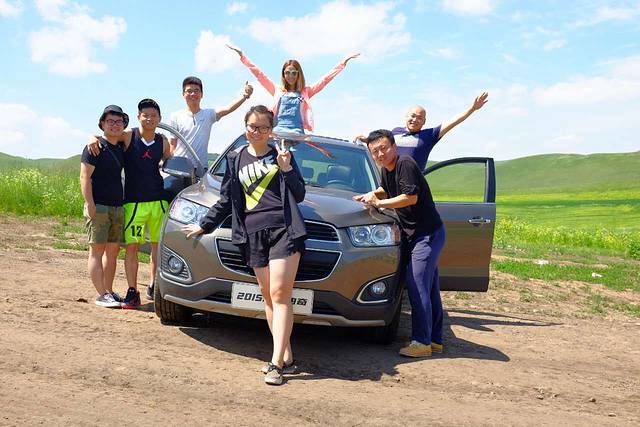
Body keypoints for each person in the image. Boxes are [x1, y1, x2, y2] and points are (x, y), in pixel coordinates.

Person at [182, 105, 306, 385]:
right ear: (245, 127)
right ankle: (286, 355)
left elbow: (299, 194)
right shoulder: (235, 158)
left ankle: (275, 364)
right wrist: (205, 225)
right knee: (268, 296)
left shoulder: (281, 155)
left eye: (263, 127)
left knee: (280, 293)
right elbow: (227, 199)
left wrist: (286, 168)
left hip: (284, 230)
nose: (257, 132)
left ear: (271, 131)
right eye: (253, 126)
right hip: (253, 234)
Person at [353, 129, 445, 358]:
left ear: (394, 147)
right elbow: (386, 190)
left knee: (416, 284)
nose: (380, 154)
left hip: (426, 235)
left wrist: (379, 204)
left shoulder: (405, 163)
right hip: (417, 235)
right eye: (375, 151)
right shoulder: (388, 169)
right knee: (429, 287)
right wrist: (371, 194)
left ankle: (421, 342)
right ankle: (435, 340)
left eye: (384, 148)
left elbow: (410, 197)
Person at [227, 44, 359, 134]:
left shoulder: (306, 92)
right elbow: (259, 74)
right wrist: (242, 56)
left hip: (297, 133)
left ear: (298, 74)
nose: (290, 76)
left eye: (294, 73)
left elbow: (325, 80)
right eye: (287, 72)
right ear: (283, 74)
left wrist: (343, 63)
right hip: (277, 132)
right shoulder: (277, 90)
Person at [80, 105, 128, 308]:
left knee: (113, 252)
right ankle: (101, 294)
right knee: (97, 252)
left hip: (117, 207)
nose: (115, 125)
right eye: (110, 121)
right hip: (99, 206)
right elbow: (84, 176)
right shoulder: (94, 147)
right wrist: (89, 203)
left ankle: (108, 291)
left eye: (118, 121)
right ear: (102, 124)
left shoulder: (121, 146)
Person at [168, 76, 254, 177]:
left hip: (200, 169)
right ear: (183, 94)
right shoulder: (175, 116)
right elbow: (172, 144)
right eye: (189, 91)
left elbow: (228, 109)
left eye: (196, 91)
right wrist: (167, 163)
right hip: (179, 167)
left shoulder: (208, 114)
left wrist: (245, 96)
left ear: (202, 94)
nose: (193, 94)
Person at [392, 93, 489, 171]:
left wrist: (472, 108)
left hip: (411, 184)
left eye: (419, 118)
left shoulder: (429, 135)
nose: (415, 120)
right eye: (413, 116)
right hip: (390, 182)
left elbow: (453, 121)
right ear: (406, 116)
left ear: (424, 122)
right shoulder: (394, 132)